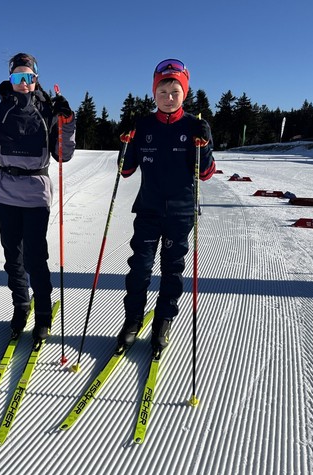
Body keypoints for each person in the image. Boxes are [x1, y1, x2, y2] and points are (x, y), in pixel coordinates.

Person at [0, 52, 76, 345]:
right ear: (10, 80)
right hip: (5, 191)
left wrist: (66, 122)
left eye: (28, 77)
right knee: (12, 257)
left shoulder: (48, 111)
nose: (23, 83)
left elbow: (63, 154)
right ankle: (21, 306)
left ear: (35, 79)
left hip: (35, 193)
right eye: (17, 77)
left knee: (35, 256)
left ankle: (43, 313)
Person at [116, 58, 216, 354]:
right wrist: (125, 141)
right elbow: (125, 170)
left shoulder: (193, 126)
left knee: (172, 272)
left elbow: (207, 174)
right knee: (139, 270)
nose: (169, 98)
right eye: (163, 92)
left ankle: (163, 322)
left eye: (175, 92)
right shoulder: (143, 125)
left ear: (184, 93)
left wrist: (206, 145)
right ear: (153, 94)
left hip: (181, 213)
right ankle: (132, 320)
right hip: (148, 209)